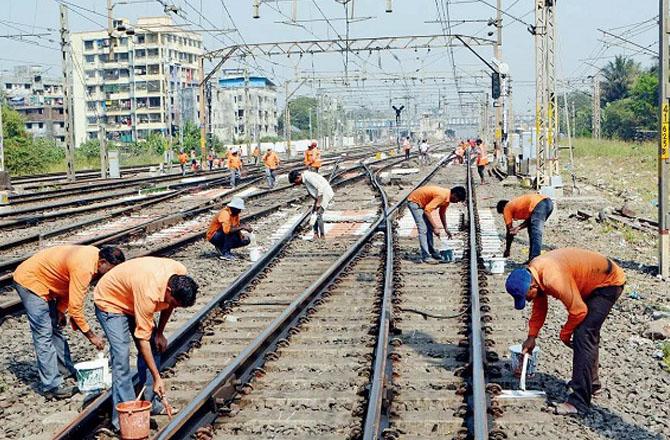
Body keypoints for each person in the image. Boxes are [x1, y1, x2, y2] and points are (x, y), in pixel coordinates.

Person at [505, 248, 626, 415]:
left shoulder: (552, 278)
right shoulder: (535, 273)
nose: (528, 299)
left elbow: (578, 311)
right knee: (587, 332)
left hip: (608, 283)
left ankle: (579, 402)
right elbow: (540, 306)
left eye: (527, 296)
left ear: (532, 285)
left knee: (584, 334)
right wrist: (531, 337)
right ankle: (592, 383)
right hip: (593, 281)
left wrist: (565, 333)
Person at [94, 257, 197, 431]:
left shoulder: (179, 273)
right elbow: (142, 340)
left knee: (155, 347)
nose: (174, 306)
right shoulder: (148, 293)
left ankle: (151, 402)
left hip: (133, 296)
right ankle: (124, 419)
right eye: (174, 302)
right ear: (169, 290)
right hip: (111, 301)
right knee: (121, 356)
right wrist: (157, 377)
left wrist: (160, 333)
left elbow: (170, 305)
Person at [13, 245, 125, 399]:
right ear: (103, 262)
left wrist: (59, 310)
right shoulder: (84, 268)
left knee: (55, 329)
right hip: (30, 281)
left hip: (48, 282)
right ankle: (51, 386)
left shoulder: (95, 258)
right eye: (110, 270)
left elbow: (68, 284)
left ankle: (64, 370)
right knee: (44, 334)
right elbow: (76, 310)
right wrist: (92, 336)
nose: (111, 275)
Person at [407, 185, 467, 263]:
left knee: (429, 228)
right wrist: (435, 227)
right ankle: (426, 256)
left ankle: (432, 252)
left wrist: (446, 228)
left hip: (422, 203)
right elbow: (427, 211)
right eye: (457, 200)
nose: (456, 202)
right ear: (454, 195)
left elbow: (442, 213)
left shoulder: (447, 198)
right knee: (423, 229)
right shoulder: (442, 196)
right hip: (414, 201)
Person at [498, 193, 554, 263]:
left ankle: (535, 260)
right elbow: (530, 221)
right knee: (531, 229)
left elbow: (509, 232)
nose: (505, 215)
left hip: (540, 204)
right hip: (549, 203)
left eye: (503, 214)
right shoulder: (518, 204)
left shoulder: (507, 208)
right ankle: (532, 258)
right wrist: (518, 227)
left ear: (502, 209)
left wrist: (507, 250)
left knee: (536, 232)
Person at [289, 170, 334, 239]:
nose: (296, 184)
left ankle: (322, 236)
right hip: (319, 196)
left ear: (298, 177)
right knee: (313, 213)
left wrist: (318, 203)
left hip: (324, 194)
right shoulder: (305, 179)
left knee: (318, 214)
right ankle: (315, 234)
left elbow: (320, 188)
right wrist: (316, 201)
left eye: (295, 182)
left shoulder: (308, 177)